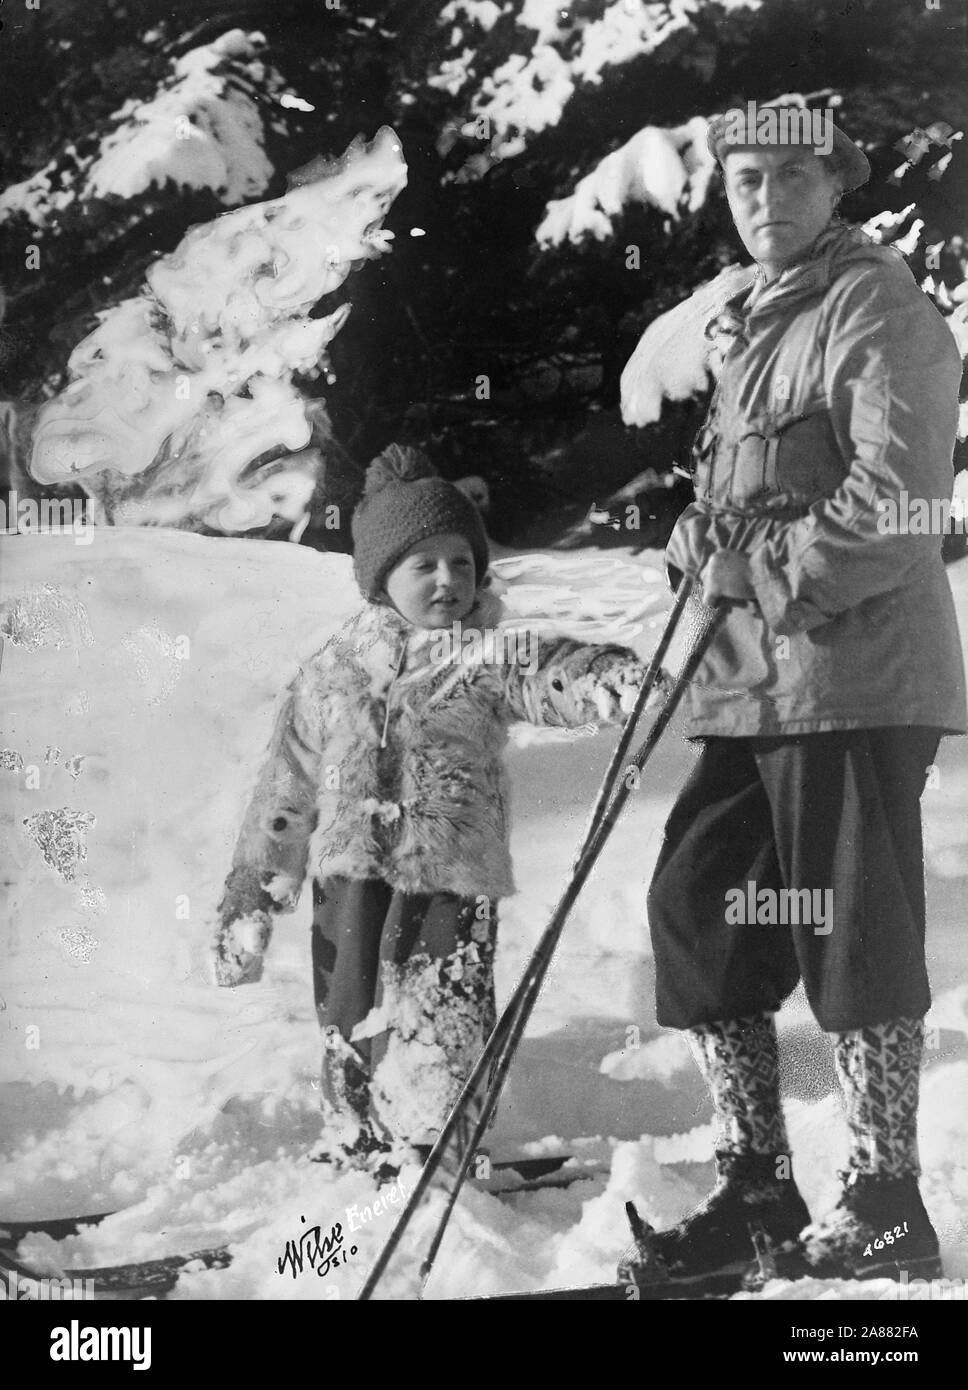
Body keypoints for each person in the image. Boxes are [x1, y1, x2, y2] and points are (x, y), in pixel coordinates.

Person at [640, 104, 966, 1286]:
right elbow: (765, 490)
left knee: (849, 925)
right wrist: (702, 533)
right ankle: (754, 1185)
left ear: (836, 184)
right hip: (751, 686)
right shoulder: (755, 320)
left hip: (851, 671)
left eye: (790, 174)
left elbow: (904, 500)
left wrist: (761, 570)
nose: (764, 197)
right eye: (742, 179)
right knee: (698, 907)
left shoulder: (875, 306)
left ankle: (884, 1198)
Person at [211, 443, 646, 1172]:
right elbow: (284, 789)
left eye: (463, 563)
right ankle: (357, 1136)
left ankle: (435, 1141)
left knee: (441, 1007)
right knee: (349, 1009)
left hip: (449, 875)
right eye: (425, 565)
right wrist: (254, 890)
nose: (449, 580)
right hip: (347, 878)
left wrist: (617, 681)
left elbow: (557, 673)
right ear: (383, 580)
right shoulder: (330, 674)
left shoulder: (486, 658)